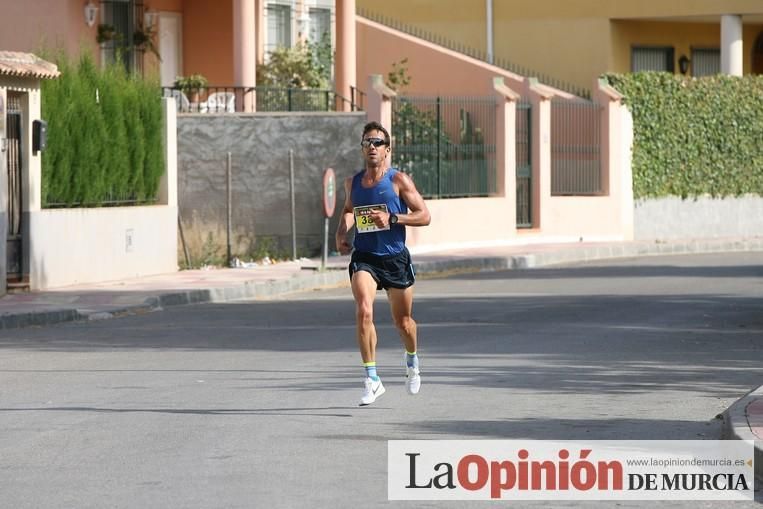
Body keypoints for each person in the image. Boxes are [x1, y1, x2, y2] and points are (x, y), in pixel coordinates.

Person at [335, 121, 431, 406]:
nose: (372, 147)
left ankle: (412, 359)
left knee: (403, 323)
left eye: (377, 143)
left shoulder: (398, 181)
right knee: (364, 309)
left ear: (387, 150)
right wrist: (342, 232)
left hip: (395, 258)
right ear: (362, 149)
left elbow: (424, 215)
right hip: (365, 256)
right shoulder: (352, 183)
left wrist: (392, 218)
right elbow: (349, 210)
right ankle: (372, 379)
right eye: (367, 143)